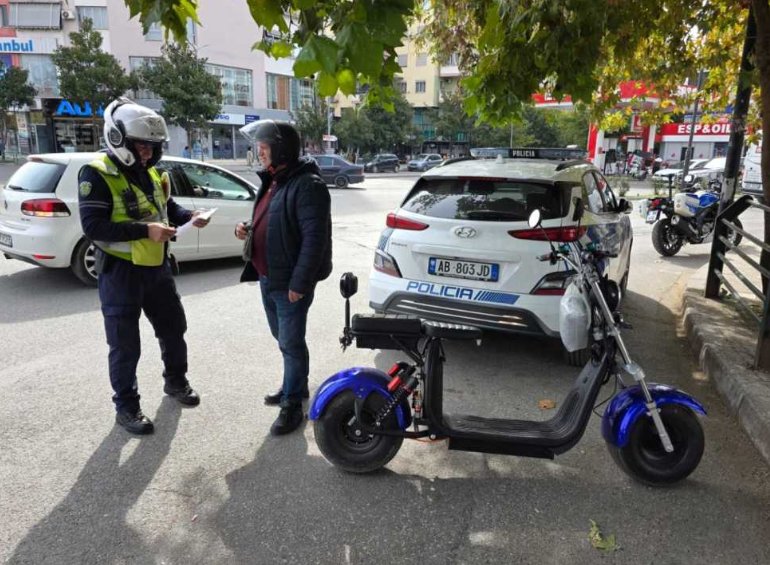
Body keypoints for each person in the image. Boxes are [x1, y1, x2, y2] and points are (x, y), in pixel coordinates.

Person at [78, 97, 211, 435]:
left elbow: (167, 207)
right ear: (119, 139)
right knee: (125, 345)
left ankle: (176, 382)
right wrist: (144, 231)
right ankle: (127, 407)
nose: (148, 153)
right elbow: (93, 228)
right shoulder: (96, 174)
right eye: (142, 146)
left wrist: (190, 218)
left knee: (173, 328)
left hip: (157, 268)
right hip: (121, 273)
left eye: (153, 147)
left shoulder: (150, 172)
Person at [235, 120, 332, 436]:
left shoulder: (308, 186)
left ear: (281, 149)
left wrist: (299, 284)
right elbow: (274, 220)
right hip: (268, 276)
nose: (259, 153)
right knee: (284, 339)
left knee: (290, 342)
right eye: (259, 147)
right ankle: (297, 384)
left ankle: (292, 405)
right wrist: (248, 229)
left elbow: (314, 240)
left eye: (264, 147)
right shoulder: (276, 180)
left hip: (290, 283)